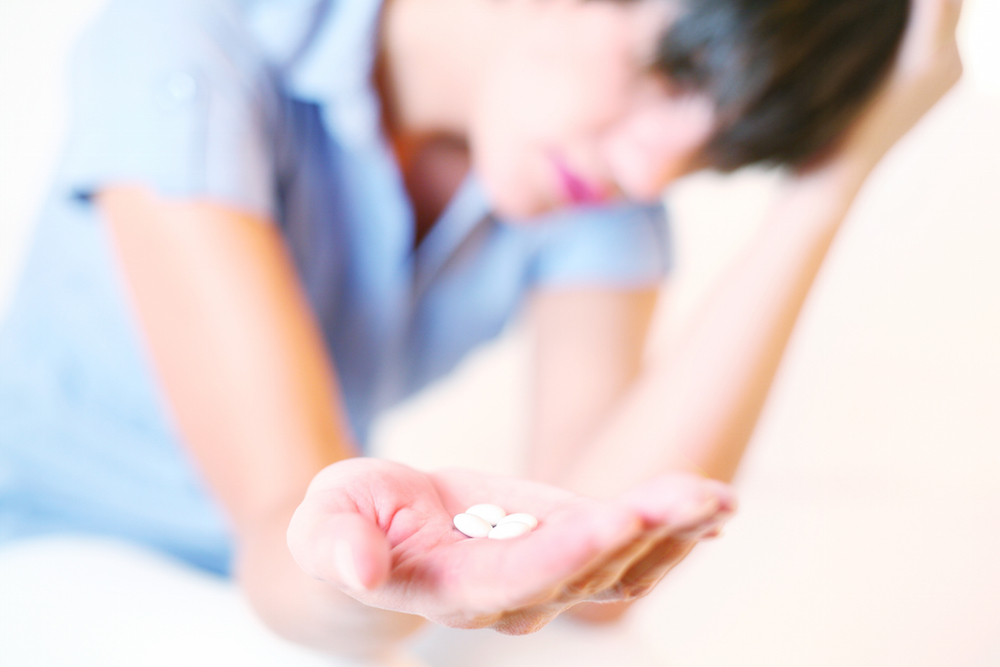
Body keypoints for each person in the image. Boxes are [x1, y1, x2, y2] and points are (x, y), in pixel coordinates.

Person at [0, 0, 961, 660]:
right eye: (676, 71)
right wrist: (377, 580)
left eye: (720, 147)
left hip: (276, 580)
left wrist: (834, 181)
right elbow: (278, 524)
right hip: (42, 559)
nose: (658, 171)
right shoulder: (192, 48)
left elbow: (599, 575)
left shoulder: (586, 182)